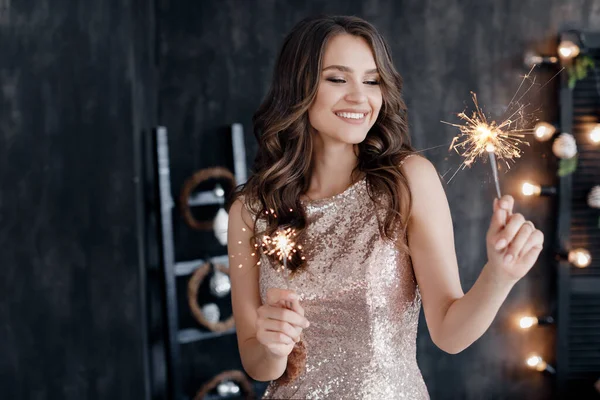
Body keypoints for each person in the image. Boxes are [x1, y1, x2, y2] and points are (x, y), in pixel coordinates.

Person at [226, 15, 544, 399]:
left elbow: (449, 334)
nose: (360, 97)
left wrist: (499, 276)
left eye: (372, 81)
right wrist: (272, 347)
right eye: (337, 79)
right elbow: (256, 363)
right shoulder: (249, 212)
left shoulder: (408, 182)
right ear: (298, 88)